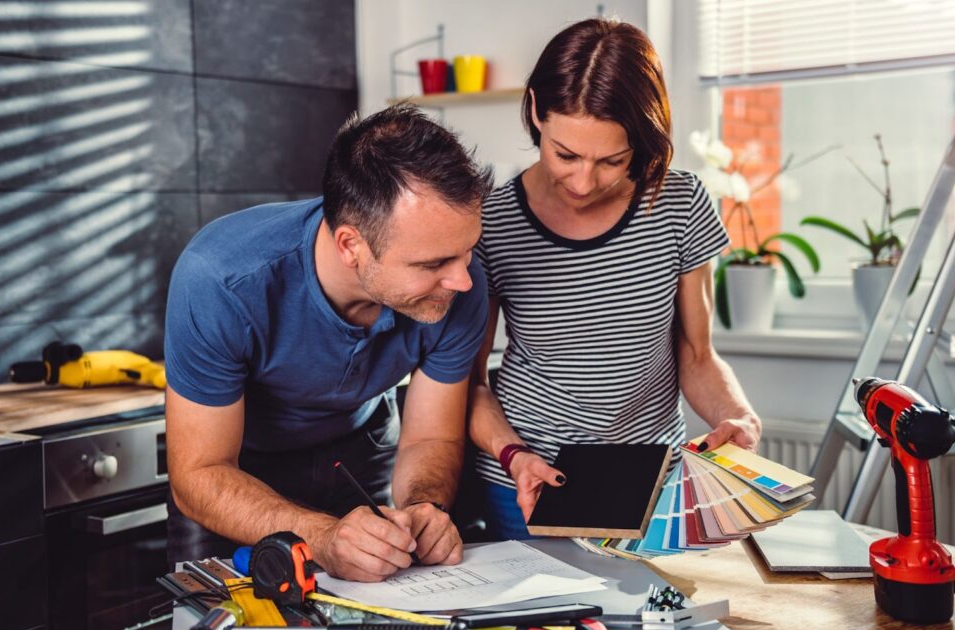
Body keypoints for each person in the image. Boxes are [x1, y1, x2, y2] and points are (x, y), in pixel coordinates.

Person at [164, 105, 492, 581]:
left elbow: (430, 437)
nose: (462, 281)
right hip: (238, 473)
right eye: (432, 264)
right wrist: (320, 537)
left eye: (467, 252)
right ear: (350, 245)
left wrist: (425, 509)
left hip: (360, 452)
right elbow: (199, 473)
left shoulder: (461, 285)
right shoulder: (220, 280)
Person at [468, 19, 762, 540]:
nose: (583, 182)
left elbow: (697, 356)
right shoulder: (491, 220)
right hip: (526, 481)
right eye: (565, 154)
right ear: (537, 110)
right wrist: (513, 456)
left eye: (612, 161)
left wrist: (738, 417)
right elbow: (471, 383)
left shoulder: (679, 202)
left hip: (651, 482)